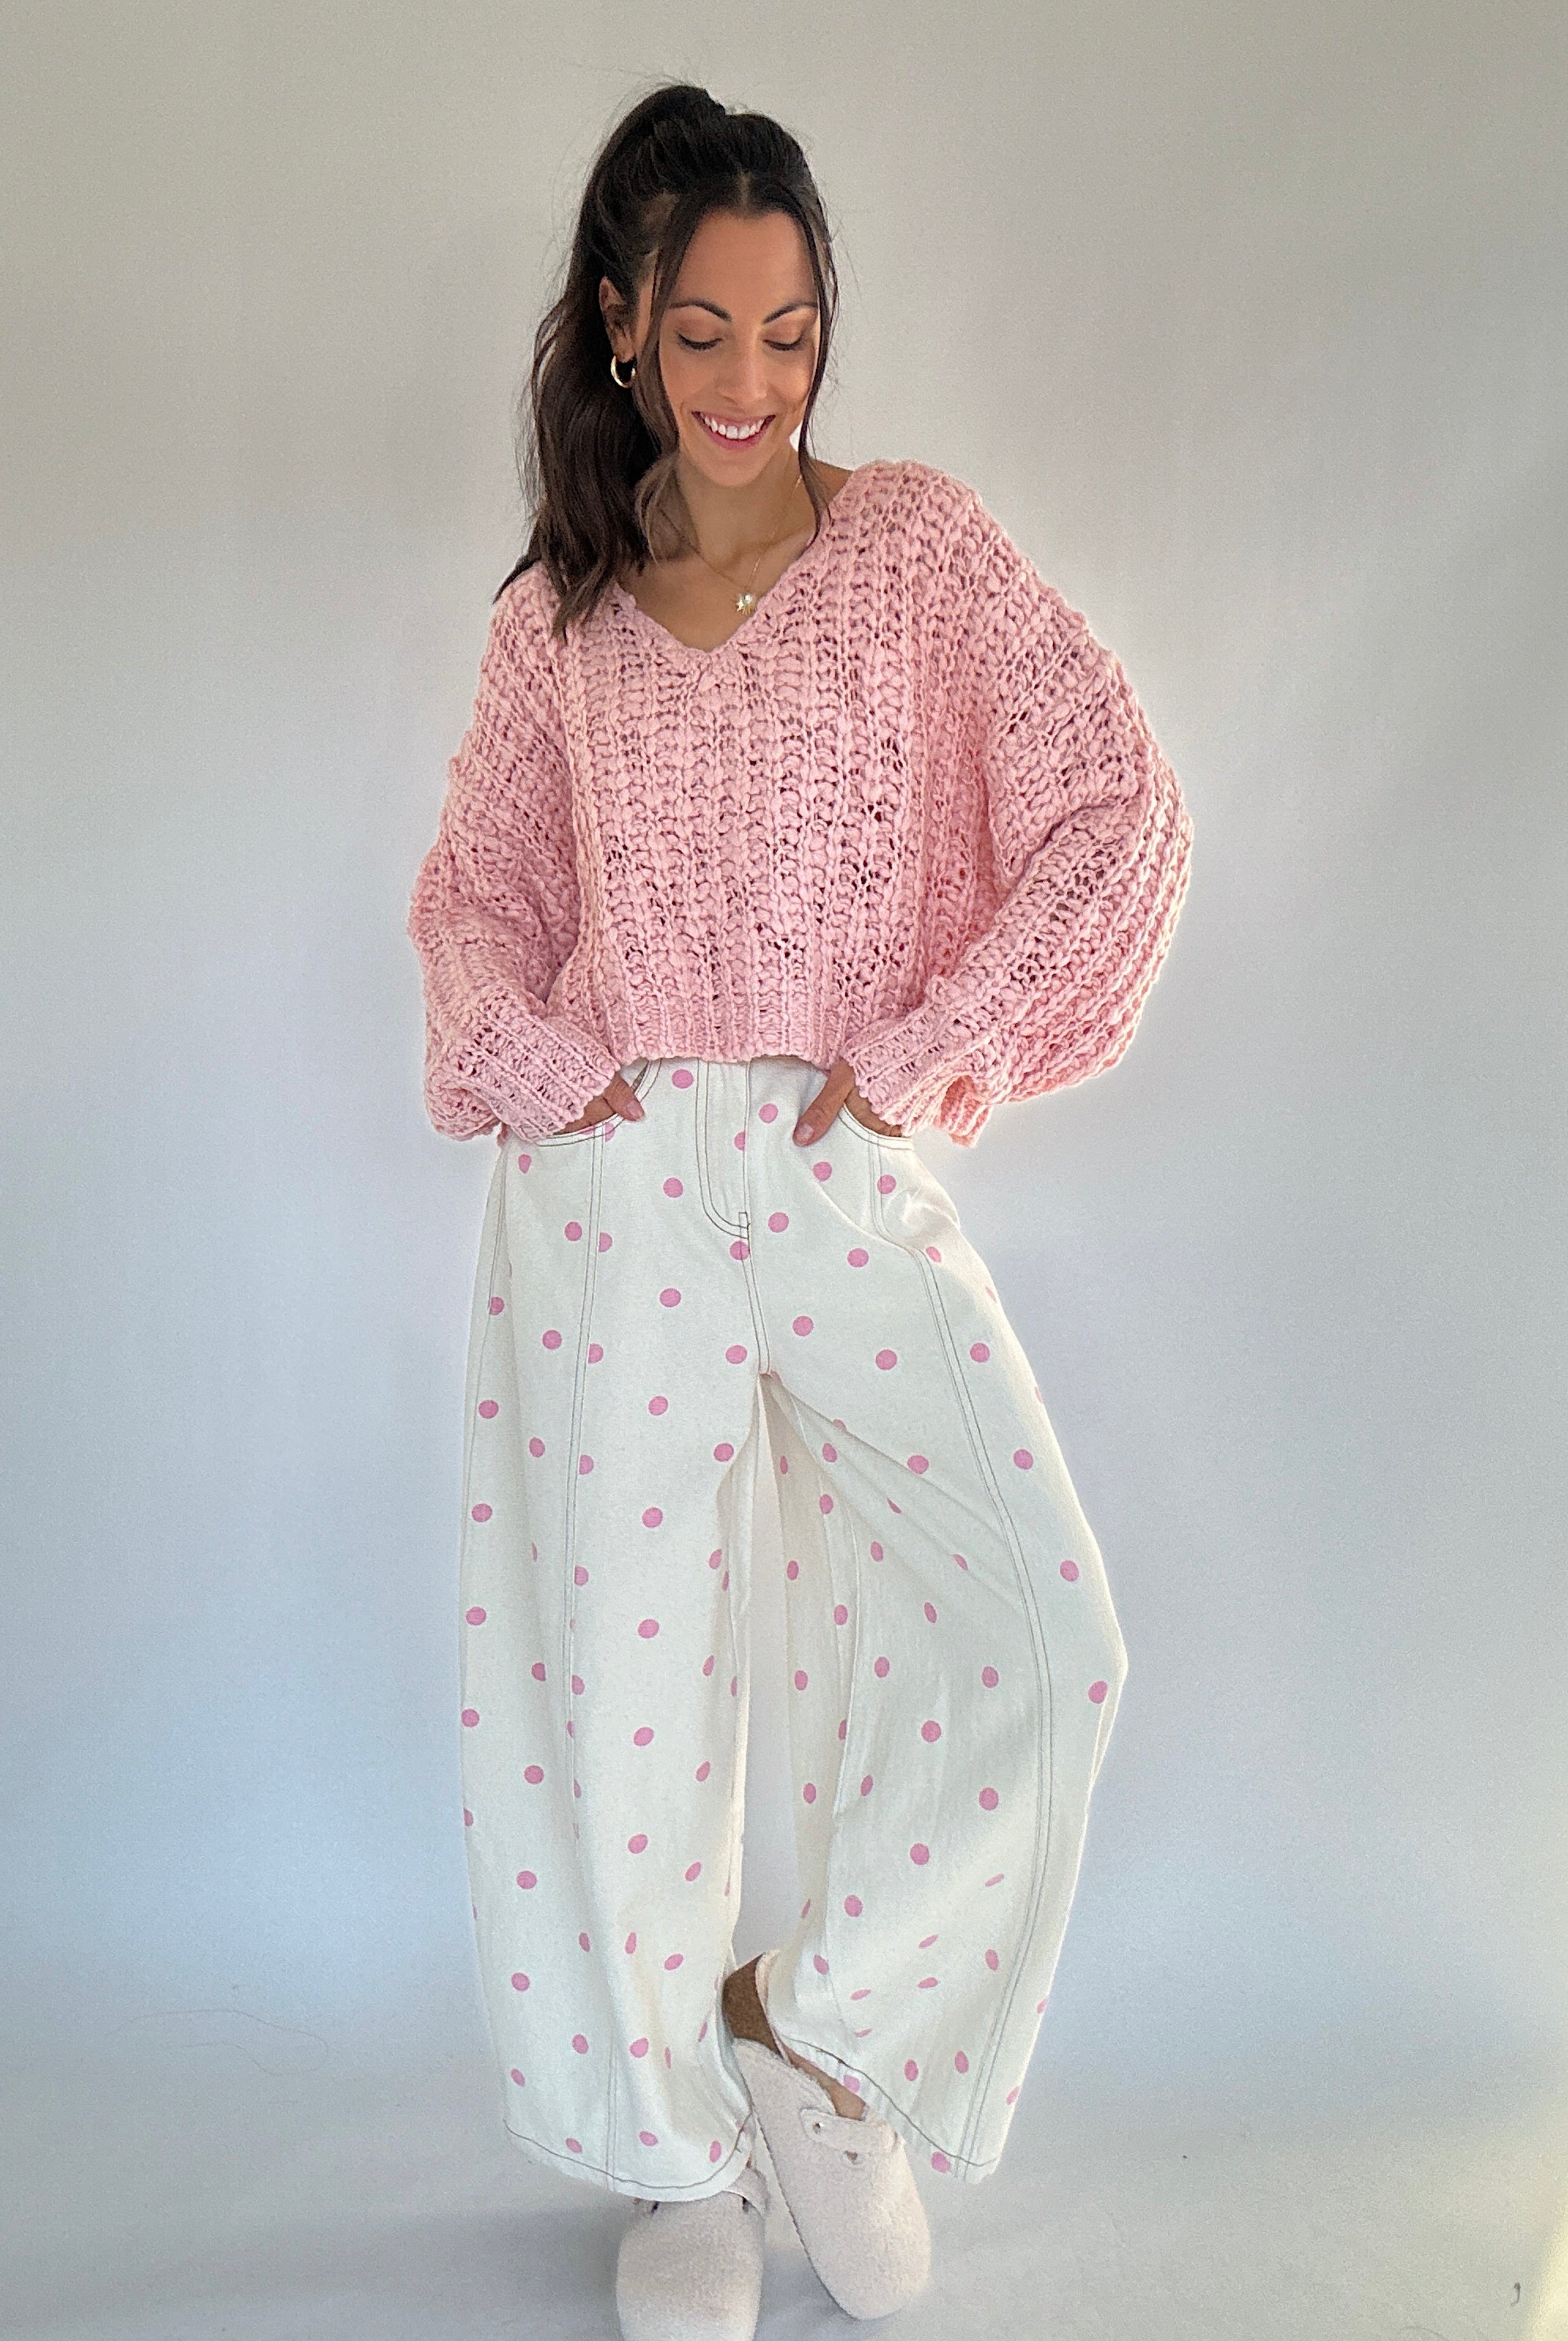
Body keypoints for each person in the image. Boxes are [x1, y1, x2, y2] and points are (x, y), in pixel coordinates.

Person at [405, 79, 1194, 2341]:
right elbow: (475, 894)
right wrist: (561, 1084)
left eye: (793, 329)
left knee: (1044, 1636)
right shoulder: (554, 621)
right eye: (707, 332)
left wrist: (945, 1045)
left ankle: (804, 2029)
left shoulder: (919, 551)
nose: (755, 382)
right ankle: (677, 2162)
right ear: (621, 331)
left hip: (842, 1163)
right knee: (625, 1684)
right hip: (617, 1186)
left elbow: (1113, 810)